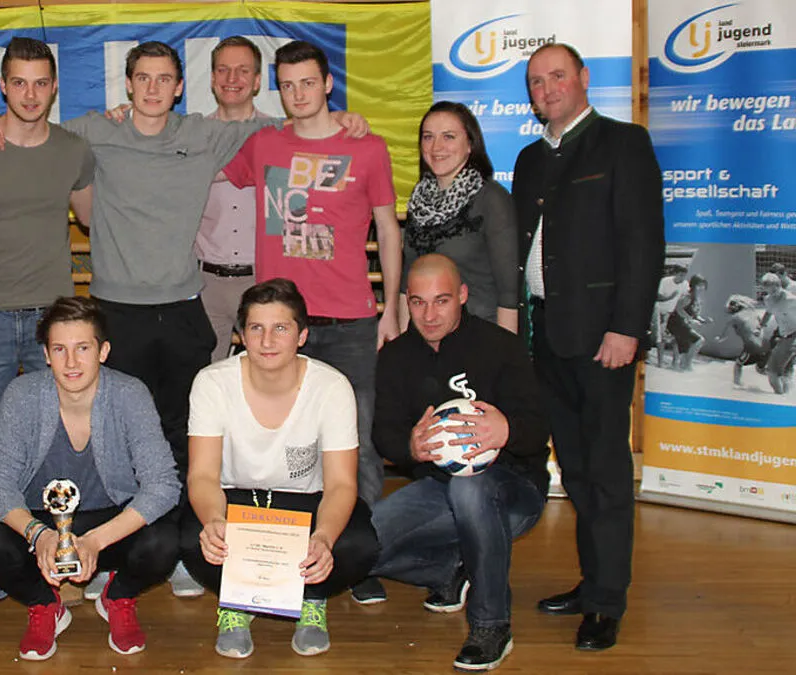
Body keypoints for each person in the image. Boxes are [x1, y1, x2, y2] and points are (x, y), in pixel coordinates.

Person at [0, 40, 369, 599]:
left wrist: (346, 117)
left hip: (183, 306)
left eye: (165, 79)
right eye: (143, 78)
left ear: (180, 88)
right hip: (117, 309)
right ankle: (101, 547)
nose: (154, 88)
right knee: (119, 436)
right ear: (128, 86)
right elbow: (31, 122)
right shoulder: (95, 131)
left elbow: (298, 120)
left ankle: (185, 547)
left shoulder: (204, 134)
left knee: (186, 436)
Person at [218, 40, 400, 604]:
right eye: (287, 84)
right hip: (277, 327)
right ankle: (273, 558)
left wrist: (391, 306)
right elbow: (208, 166)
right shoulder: (264, 144)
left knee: (357, 443)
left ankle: (356, 559)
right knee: (277, 445)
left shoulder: (366, 148)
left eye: (307, 83)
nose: (298, 94)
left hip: (349, 320)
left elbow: (389, 231)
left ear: (328, 85)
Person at [512, 43, 664, 651]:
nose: (545, 88)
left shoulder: (624, 143)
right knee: (573, 469)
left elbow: (643, 244)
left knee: (604, 471)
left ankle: (607, 601)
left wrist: (626, 328)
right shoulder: (528, 159)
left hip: (604, 340)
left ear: (582, 78)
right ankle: (591, 579)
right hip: (545, 337)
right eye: (534, 80)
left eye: (556, 76)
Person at [0, 36, 96, 611]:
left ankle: (64, 563)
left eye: (41, 82)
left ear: (55, 87)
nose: (30, 94)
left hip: (53, 325)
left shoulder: (75, 150)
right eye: (19, 83)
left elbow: (95, 215)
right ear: (2, 87)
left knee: (58, 448)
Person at [0, 296, 181, 660]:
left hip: (108, 520)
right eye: (59, 349)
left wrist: (96, 541)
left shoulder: (129, 394)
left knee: (166, 540)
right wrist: (41, 535)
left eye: (82, 348)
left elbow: (163, 484)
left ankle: (118, 596)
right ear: (46, 354)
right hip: (42, 520)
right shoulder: (23, 395)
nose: (71, 362)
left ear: (103, 351)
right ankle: (45, 604)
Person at [181, 278, 379, 658]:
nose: (267, 341)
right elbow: (203, 476)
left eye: (280, 328)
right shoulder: (211, 383)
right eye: (256, 328)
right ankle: (235, 604)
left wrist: (322, 538)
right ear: (241, 335)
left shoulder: (332, 387)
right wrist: (214, 522)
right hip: (235, 500)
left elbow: (340, 485)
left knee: (358, 543)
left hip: (303, 503)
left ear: (302, 336)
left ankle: (312, 598)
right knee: (194, 538)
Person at [370, 255, 549, 671]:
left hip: (512, 489)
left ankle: (491, 624)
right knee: (356, 546)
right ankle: (449, 572)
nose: (429, 315)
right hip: (437, 490)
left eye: (442, 301)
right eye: (417, 302)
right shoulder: (396, 357)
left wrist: (507, 430)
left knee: (471, 486)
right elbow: (385, 433)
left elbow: (539, 428)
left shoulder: (501, 346)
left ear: (464, 296)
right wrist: (409, 447)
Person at [401, 101, 518, 333]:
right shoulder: (419, 200)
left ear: (470, 144)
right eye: (428, 137)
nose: (436, 147)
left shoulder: (492, 198)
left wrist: (507, 354)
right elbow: (407, 282)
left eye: (449, 136)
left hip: (480, 336)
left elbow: (508, 292)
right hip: (425, 338)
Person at [195, 36, 276, 361]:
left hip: (263, 279)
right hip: (204, 285)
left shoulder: (280, 134)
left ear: (257, 81)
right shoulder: (191, 134)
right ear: (212, 79)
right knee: (204, 382)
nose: (232, 79)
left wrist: (346, 118)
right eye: (224, 70)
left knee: (267, 376)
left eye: (242, 71)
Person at [713, 294, 769, 387]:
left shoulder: (734, 318)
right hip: (766, 346)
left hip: (752, 347)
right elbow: (761, 327)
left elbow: (724, 335)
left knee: (738, 364)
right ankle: (783, 379)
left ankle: (736, 385)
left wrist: (718, 339)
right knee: (760, 369)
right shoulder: (753, 313)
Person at [759, 272, 796, 394]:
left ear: (779, 285)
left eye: (775, 291)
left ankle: (780, 398)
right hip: (783, 336)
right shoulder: (768, 299)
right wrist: (760, 326)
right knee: (782, 372)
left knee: (772, 372)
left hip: (793, 335)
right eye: (769, 292)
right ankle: (785, 398)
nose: (773, 295)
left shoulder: (791, 299)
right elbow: (768, 312)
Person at [667, 274, 710, 371]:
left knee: (685, 345)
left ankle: (682, 364)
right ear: (693, 285)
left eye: (703, 286)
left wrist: (702, 320)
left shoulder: (696, 298)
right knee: (699, 340)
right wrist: (691, 319)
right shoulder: (688, 296)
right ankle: (687, 363)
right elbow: (679, 309)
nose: (701, 288)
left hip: (681, 323)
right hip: (675, 322)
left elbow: (693, 313)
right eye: (699, 285)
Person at [652, 266, 687, 367]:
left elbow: (685, 298)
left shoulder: (684, 284)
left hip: (671, 313)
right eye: (681, 275)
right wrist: (670, 297)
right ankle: (660, 362)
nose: (682, 278)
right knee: (660, 338)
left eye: (684, 276)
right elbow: (658, 297)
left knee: (675, 337)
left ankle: (675, 362)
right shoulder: (665, 281)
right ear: (675, 274)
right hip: (659, 311)